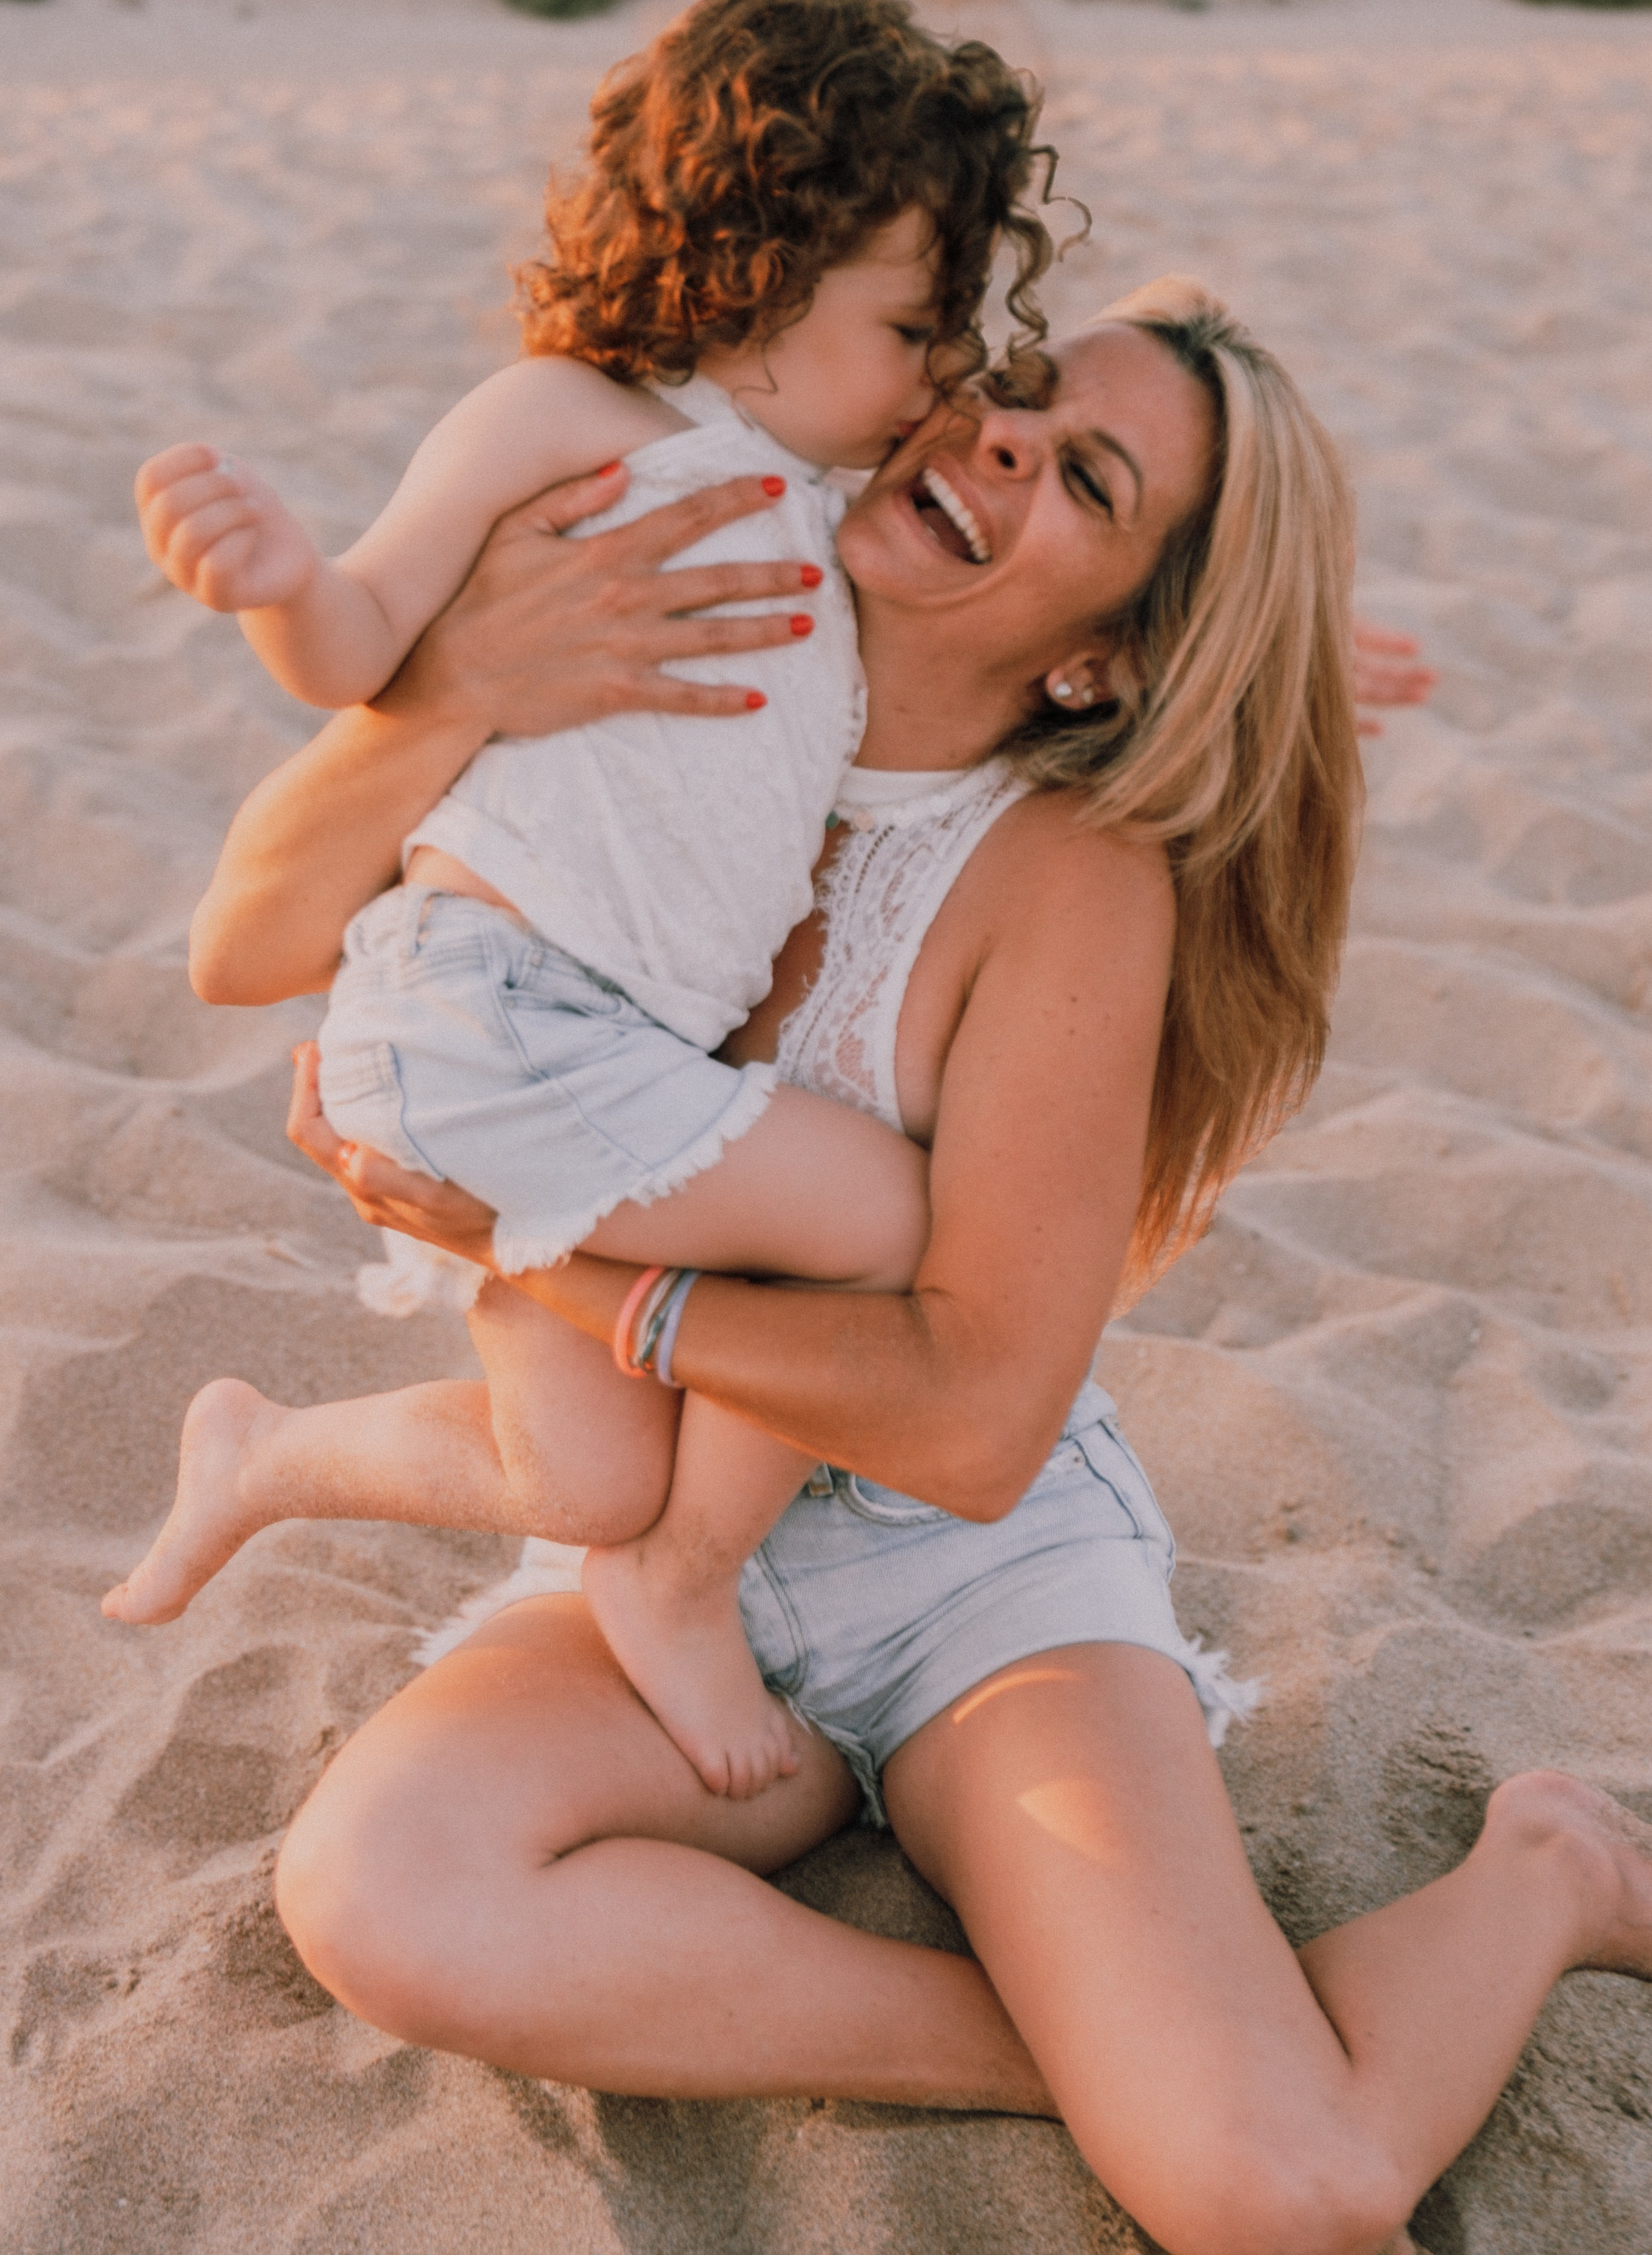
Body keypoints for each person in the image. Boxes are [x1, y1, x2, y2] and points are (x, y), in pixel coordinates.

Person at [125, 283, 1652, 2255]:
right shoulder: (674, 642)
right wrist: (457, 690)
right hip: (656, 1547)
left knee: (1287, 2193)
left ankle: (1545, 1872)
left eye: (1083, 474)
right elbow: (241, 946)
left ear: (1108, 654)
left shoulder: (1069, 884)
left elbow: (981, 1418)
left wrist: (581, 1280)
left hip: (970, 1585)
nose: (1002, 438)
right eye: (1012, 397)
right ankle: (1101, 2050)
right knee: (387, 1899)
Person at [106, 0, 1062, 1803]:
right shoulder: (574, 422)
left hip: (603, 1060)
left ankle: (266, 1457)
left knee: (588, 1474)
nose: (942, 376)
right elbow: (370, 630)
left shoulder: (844, 522)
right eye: (912, 328)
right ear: (751, 283)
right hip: (491, 1012)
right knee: (880, 1221)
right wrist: (283, 584)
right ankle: (686, 1591)